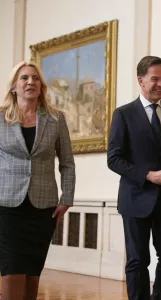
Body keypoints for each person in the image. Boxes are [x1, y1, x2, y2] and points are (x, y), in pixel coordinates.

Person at [107, 56, 161, 300]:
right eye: (155, 79)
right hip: (135, 199)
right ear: (141, 80)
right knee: (137, 260)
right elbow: (114, 159)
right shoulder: (123, 114)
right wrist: (147, 175)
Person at [0, 61, 75, 300]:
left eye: (35, 78)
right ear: (14, 86)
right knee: (11, 267)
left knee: (33, 269)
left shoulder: (56, 119)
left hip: (44, 206)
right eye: (24, 78)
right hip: (7, 205)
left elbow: (67, 163)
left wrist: (67, 198)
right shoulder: (0, 118)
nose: (30, 82)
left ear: (41, 86)